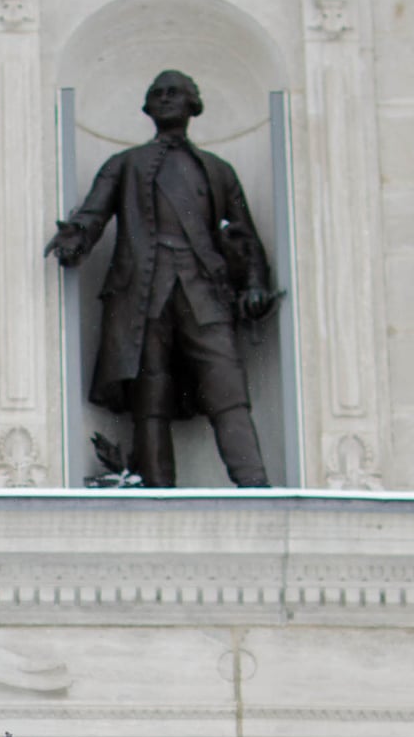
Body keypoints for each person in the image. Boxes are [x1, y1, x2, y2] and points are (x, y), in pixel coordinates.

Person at [47, 68, 276, 489]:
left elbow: (244, 236)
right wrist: (75, 237)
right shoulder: (124, 164)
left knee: (228, 387)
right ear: (148, 106)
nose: (167, 99)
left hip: (204, 290)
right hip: (143, 292)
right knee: (149, 394)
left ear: (194, 105)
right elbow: (93, 212)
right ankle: (156, 487)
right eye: (159, 93)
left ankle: (256, 485)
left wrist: (255, 284)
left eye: (176, 93)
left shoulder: (218, 170)